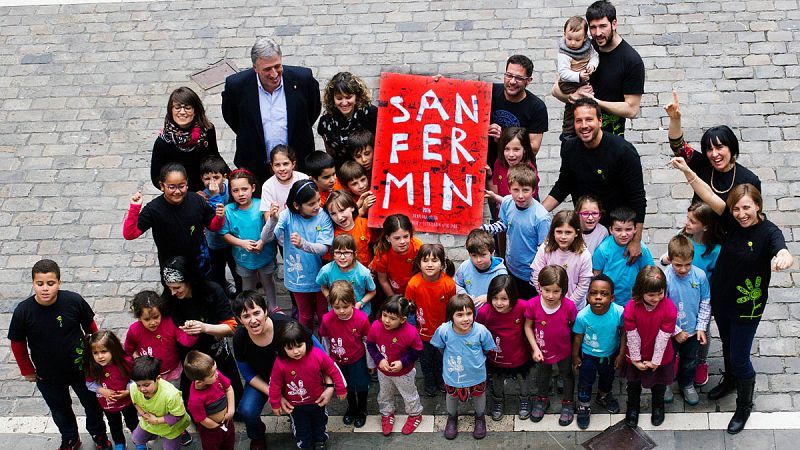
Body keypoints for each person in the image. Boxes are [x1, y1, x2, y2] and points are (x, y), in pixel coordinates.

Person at [673, 162, 794, 433]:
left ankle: (744, 405)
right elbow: (707, 195)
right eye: (737, 208)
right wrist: (688, 173)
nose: (741, 214)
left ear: (758, 207)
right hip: (723, 300)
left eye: (747, 208)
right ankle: (728, 380)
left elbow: (781, 249)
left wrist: (784, 257)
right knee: (728, 345)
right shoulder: (729, 218)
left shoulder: (768, 232)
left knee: (740, 358)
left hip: (747, 306)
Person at [8, 259, 112, 450]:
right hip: (47, 373)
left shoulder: (74, 301)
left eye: (50, 283)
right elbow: (17, 343)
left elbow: (91, 330)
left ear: (59, 283)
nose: (45, 288)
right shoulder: (23, 312)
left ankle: (98, 435)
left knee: (92, 405)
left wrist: (98, 356)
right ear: (33, 283)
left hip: (82, 368)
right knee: (60, 409)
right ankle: (70, 438)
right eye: (40, 284)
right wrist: (27, 370)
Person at [543, 98, 646, 262]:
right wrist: (538, 213)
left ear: (600, 120)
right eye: (579, 121)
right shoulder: (570, 148)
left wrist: (635, 240)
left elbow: (638, 199)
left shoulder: (624, 152)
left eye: (589, 119)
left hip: (616, 233)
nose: (584, 125)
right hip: (586, 227)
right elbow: (563, 184)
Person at [231, 291, 334, 450]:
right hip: (264, 380)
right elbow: (248, 374)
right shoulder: (240, 338)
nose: (253, 320)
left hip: (294, 379)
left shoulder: (287, 326)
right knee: (246, 410)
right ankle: (257, 436)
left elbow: (322, 356)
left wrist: (329, 385)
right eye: (246, 316)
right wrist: (275, 394)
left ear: (266, 311)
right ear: (239, 319)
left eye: (257, 313)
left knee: (307, 413)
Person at [221, 37, 321, 180]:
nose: (274, 74)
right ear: (255, 67)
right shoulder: (236, 86)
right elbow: (232, 117)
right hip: (255, 164)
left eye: (277, 66)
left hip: (297, 162)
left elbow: (312, 110)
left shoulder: (303, 79)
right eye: (267, 69)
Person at [159, 256, 241, 421]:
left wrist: (204, 328)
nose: (173, 292)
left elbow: (231, 328)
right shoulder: (170, 298)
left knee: (234, 399)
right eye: (169, 288)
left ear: (189, 281)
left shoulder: (213, 291)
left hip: (217, 356)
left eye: (177, 288)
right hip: (191, 361)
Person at [552, 0, 644, 138]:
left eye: (603, 26)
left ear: (614, 24)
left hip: (609, 137)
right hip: (575, 134)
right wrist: (572, 96)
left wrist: (595, 103)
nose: (598, 33)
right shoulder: (583, 48)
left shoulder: (631, 61)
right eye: (593, 27)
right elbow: (555, 90)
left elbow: (631, 109)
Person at [665, 91, 761, 210]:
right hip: (699, 227)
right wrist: (675, 119)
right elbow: (678, 146)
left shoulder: (749, 180)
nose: (714, 154)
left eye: (719, 147)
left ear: (731, 147)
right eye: (709, 149)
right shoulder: (703, 164)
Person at [124, 162, 225, 275]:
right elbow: (130, 234)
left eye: (181, 186)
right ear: (162, 186)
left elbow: (213, 226)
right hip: (172, 266)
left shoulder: (197, 200)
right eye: (171, 187)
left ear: (187, 184)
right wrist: (134, 209)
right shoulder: (153, 209)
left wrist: (219, 218)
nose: (177, 191)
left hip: (199, 262)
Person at [261, 179, 334, 330]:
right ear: (296, 205)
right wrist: (272, 220)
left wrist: (304, 245)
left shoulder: (323, 216)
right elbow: (266, 238)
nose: (317, 206)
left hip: (322, 277)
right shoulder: (287, 216)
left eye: (318, 200)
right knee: (305, 315)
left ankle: (326, 346)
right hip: (298, 278)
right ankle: (305, 343)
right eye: (311, 204)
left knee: (324, 314)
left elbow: (324, 248)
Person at [269, 322, 347, 450]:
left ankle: (320, 442)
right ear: (283, 348)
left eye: (299, 346)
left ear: (306, 341)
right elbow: (275, 384)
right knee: (301, 429)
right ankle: (305, 445)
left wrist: (340, 388)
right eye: (290, 348)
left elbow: (333, 370)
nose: (296, 351)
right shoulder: (280, 363)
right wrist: (275, 403)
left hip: (318, 402)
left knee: (320, 424)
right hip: (295, 406)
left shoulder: (317, 354)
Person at [482, 165, 551, 300]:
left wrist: (536, 277)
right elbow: (503, 224)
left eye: (525, 190)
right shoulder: (508, 202)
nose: (520, 195)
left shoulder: (541, 217)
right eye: (516, 190)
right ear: (509, 189)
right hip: (511, 267)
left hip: (529, 274)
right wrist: (485, 229)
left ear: (533, 190)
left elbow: (544, 250)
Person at [432, 294, 496, 440]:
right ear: (451, 316)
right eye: (460, 315)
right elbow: (441, 347)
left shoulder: (481, 331)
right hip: (453, 375)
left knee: (479, 395)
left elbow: (486, 349)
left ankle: (480, 418)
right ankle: (452, 418)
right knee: (451, 396)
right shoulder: (443, 331)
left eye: (469, 314)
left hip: (477, 374)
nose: (465, 319)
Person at [620, 266, 677, 428]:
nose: (656, 298)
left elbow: (664, 336)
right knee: (633, 385)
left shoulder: (669, 309)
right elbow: (631, 334)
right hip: (637, 353)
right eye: (651, 295)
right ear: (640, 292)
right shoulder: (631, 308)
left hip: (660, 356)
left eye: (660, 293)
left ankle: (658, 406)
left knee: (659, 385)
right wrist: (637, 360)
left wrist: (655, 361)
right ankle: (633, 407)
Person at [524, 265, 578, 426]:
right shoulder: (533, 304)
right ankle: (542, 399)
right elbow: (527, 326)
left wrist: (576, 354)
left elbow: (575, 330)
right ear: (539, 286)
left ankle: (568, 402)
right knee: (543, 374)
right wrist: (534, 348)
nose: (550, 295)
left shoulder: (569, 306)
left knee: (567, 375)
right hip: (542, 351)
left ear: (563, 290)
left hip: (564, 351)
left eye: (556, 291)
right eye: (546, 290)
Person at [365, 296, 425, 436]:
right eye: (384, 315)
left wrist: (403, 362)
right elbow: (370, 344)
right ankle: (386, 414)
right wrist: (379, 359)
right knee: (385, 393)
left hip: (405, 373)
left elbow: (417, 350)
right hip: (383, 371)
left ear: (403, 319)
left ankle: (415, 414)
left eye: (392, 318)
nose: (386, 320)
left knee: (409, 394)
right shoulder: (375, 326)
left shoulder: (410, 332)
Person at [572, 274, 625, 430]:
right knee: (585, 381)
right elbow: (577, 337)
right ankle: (583, 405)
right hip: (588, 356)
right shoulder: (582, 316)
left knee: (607, 379)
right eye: (594, 293)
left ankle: (602, 396)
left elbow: (624, 333)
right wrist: (575, 356)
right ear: (588, 296)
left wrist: (621, 354)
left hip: (610, 355)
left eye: (604, 294)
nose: (598, 298)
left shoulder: (619, 313)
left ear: (612, 297)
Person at [220, 169, 279, 309]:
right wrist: (242, 243)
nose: (240, 194)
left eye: (244, 189)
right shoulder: (228, 210)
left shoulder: (261, 205)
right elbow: (225, 235)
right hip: (243, 258)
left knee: (268, 281)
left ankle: (273, 307)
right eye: (235, 190)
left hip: (265, 254)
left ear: (252, 188)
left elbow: (270, 227)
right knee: (248, 285)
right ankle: (250, 308)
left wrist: (262, 242)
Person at [476, 275, 532, 421]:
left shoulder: (523, 307)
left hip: (519, 356)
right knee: (497, 380)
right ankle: (498, 401)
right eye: (495, 298)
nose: (499, 303)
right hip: (495, 358)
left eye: (504, 299)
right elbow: (478, 333)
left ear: (513, 297)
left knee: (523, 379)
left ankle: (525, 399)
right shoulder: (484, 312)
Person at [663, 235, 710, 406]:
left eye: (687, 264)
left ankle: (686, 383)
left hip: (692, 330)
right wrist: (675, 331)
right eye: (678, 265)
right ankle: (666, 382)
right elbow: (662, 308)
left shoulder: (700, 276)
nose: (683, 269)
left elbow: (705, 301)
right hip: (671, 332)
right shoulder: (666, 278)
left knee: (690, 360)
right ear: (670, 260)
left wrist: (701, 327)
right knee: (668, 358)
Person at [318, 281, 372, 428]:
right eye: (337, 307)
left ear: (353, 302)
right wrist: (326, 363)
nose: (341, 311)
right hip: (338, 361)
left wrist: (370, 363)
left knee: (361, 386)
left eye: (345, 307)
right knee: (345, 386)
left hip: (358, 359)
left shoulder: (361, 318)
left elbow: (367, 341)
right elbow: (325, 341)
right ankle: (351, 408)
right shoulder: (327, 319)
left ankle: (362, 409)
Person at [405, 243, 456, 397]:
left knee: (441, 359)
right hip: (422, 333)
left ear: (442, 264)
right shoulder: (413, 283)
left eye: (434, 260)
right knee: (426, 362)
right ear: (419, 263)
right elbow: (409, 310)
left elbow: (452, 309)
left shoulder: (448, 284)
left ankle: (441, 381)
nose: (429, 264)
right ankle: (429, 383)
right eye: (425, 260)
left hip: (443, 332)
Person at [151, 87, 221, 193]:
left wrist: (232, 177)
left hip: (208, 188)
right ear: (171, 110)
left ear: (195, 110)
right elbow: (156, 178)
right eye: (177, 108)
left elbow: (215, 157)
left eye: (188, 108)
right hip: (180, 194)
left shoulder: (208, 130)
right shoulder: (163, 143)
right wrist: (188, 195)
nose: (182, 112)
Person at [124, 290, 198, 385]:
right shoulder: (134, 330)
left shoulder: (170, 323)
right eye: (147, 319)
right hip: (148, 376)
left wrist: (190, 331)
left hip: (172, 373)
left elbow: (186, 341)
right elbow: (128, 350)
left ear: (161, 312)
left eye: (156, 317)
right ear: (139, 317)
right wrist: (136, 360)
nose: (152, 322)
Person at [488, 54, 548, 166]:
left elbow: (533, 148)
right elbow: (461, 95)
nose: (512, 81)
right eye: (509, 75)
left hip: (518, 168)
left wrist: (503, 139)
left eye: (519, 78)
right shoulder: (489, 92)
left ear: (529, 80)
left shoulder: (537, 107)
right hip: (487, 163)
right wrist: (444, 84)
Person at [85, 331, 138, 450]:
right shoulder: (93, 367)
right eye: (95, 353)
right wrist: (101, 390)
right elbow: (89, 383)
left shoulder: (126, 362)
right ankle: (119, 442)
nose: (100, 356)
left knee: (133, 422)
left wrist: (128, 390)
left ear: (113, 349)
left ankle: (139, 441)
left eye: (104, 351)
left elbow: (135, 379)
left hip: (127, 401)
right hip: (108, 405)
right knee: (114, 425)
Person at [530, 210, 593, 310]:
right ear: (553, 232)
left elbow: (583, 285)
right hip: (548, 303)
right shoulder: (545, 249)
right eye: (559, 232)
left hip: (574, 306)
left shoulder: (584, 255)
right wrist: (547, 297)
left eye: (568, 232)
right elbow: (536, 276)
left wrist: (566, 306)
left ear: (576, 233)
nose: (563, 237)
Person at [592, 206, 654, 306]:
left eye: (628, 229)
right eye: (618, 230)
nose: (624, 234)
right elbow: (596, 276)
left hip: (636, 301)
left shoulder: (641, 249)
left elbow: (650, 271)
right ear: (611, 230)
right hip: (610, 302)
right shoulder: (603, 250)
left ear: (635, 229)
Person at [317, 72, 378, 169]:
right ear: (333, 99)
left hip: (374, 168)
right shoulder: (326, 122)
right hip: (345, 171)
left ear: (357, 96)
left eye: (348, 97)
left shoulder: (372, 114)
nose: (344, 103)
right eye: (339, 98)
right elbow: (331, 154)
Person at [199, 155, 241, 297]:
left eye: (216, 177)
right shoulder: (203, 197)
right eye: (207, 178)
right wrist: (214, 195)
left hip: (234, 239)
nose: (212, 182)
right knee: (217, 270)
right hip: (215, 242)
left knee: (237, 269)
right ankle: (222, 288)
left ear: (224, 177)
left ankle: (240, 293)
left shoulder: (232, 188)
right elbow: (215, 218)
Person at [129, 356, 192, 450]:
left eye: (146, 385)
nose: (141, 389)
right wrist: (142, 413)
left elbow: (178, 415)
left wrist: (156, 421)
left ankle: (169, 434)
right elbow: (135, 403)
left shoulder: (171, 395)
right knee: (136, 438)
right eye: (138, 385)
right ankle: (152, 437)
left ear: (158, 378)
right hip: (149, 422)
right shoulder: (133, 387)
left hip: (171, 428)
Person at [556, 16, 599, 138]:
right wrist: (579, 76)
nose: (572, 43)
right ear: (564, 34)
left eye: (577, 40)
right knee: (574, 104)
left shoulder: (588, 47)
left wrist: (592, 65)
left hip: (582, 80)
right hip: (568, 83)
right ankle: (568, 132)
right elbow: (563, 73)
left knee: (586, 99)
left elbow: (595, 56)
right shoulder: (564, 53)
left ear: (585, 37)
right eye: (569, 38)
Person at [184, 351, 236, 450]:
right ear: (199, 381)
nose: (216, 374)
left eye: (216, 369)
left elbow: (229, 388)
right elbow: (202, 419)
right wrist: (217, 427)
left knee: (229, 444)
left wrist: (231, 411)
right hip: (211, 431)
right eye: (212, 375)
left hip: (228, 422)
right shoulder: (195, 400)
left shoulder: (216, 375)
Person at [316, 234, 376, 316]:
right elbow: (323, 287)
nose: (342, 257)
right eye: (338, 252)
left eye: (347, 252)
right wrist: (330, 299)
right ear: (333, 254)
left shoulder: (364, 273)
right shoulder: (326, 271)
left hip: (360, 314)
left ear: (354, 254)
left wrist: (360, 303)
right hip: (336, 313)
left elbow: (372, 291)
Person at [371, 214, 424, 298]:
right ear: (388, 238)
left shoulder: (418, 248)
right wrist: (394, 300)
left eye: (406, 236)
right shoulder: (381, 255)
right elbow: (383, 280)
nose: (402, 241)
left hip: (416, 290)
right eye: (397, 238)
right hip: (394, 292)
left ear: (410, 234)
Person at [454, 228, 507, 310]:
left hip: (489, 315)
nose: (478, 260)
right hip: (469, 314)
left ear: (492, 252)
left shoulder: (500, 273)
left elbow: (504, 294)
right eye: (474, 255)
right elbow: (457, 284)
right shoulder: (465, 267)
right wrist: (463, 294)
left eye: (483, 255)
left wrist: (488, 297)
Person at [485, 127, 541, 205]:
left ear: (524, 149)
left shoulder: (529, 171)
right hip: (502, 215)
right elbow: (494, 196)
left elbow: (522, 204)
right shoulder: (499, 163)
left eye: (516, 149)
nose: (511, 154)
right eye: (507, 149)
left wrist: (500, 200)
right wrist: (489, 177)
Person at [324, 190, 375, 266]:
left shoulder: (365, 224)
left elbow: (376, 248)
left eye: (342, 210)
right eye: (333, 214)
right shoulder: (331, 234)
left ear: (352, 207)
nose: (339, 217)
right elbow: (329, 261)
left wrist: (373, 265)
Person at [259, 145, 309, 215]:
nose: (282, 168)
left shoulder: (303, 178)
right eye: (277, 165)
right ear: (272, 166)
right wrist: (273, 216)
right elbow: (268, 219)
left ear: (293, 164)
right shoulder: (268, 186)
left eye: (285, 164)